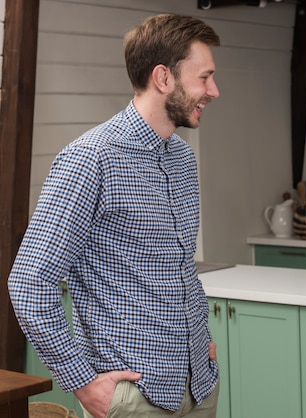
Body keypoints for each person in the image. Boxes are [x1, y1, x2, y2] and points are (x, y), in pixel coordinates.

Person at [9, 14, 221, 418]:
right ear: (163, 78)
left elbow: (178, 271)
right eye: (204, 77)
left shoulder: (182, 159)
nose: (214, 90)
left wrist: (200, 342)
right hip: (134, 398)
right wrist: (83, 383)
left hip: (199, 384)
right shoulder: (90, 159)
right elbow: (30, 284)